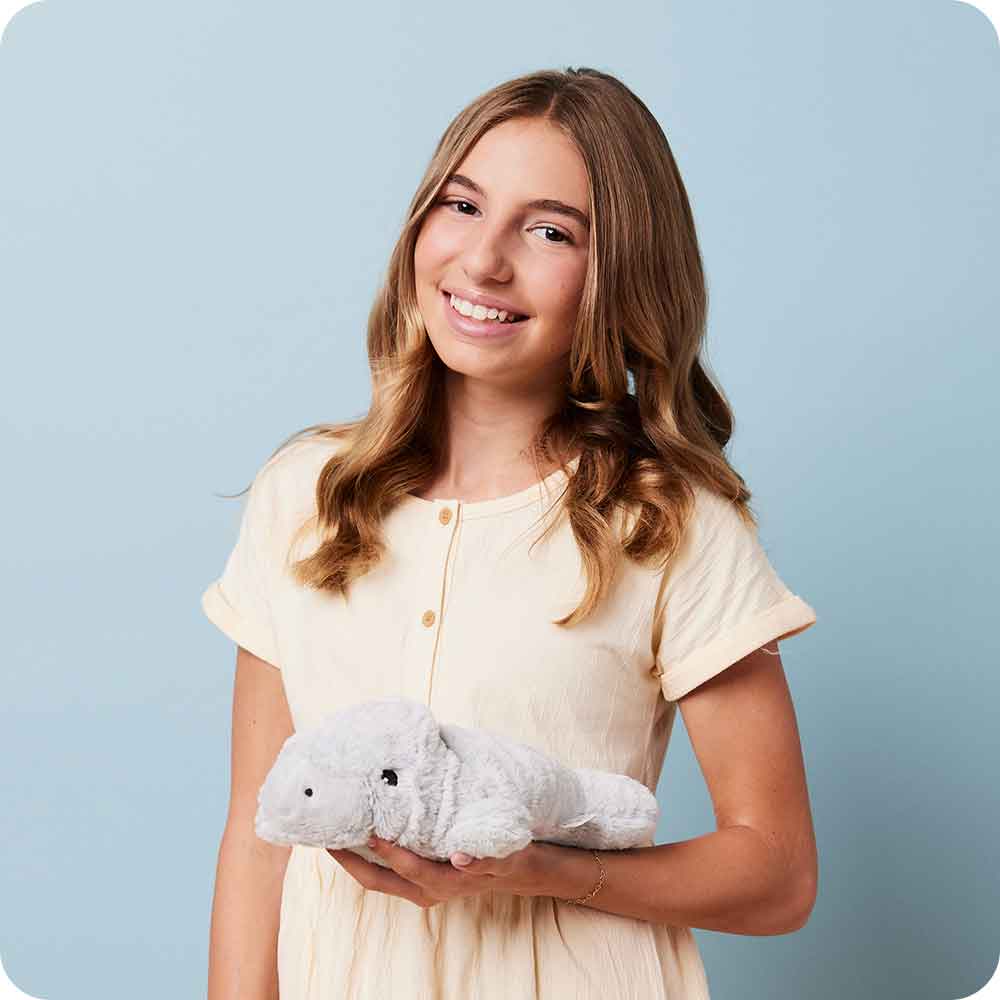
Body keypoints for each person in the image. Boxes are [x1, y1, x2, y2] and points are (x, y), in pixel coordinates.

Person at [201, 66, 819, 1000]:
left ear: (620, 274)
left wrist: (542, 869)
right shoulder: (308, 496)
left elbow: (778, 875)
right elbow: (260, 839)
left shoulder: (671, 522)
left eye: (549, 231)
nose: (484, 261)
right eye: (462, 205)